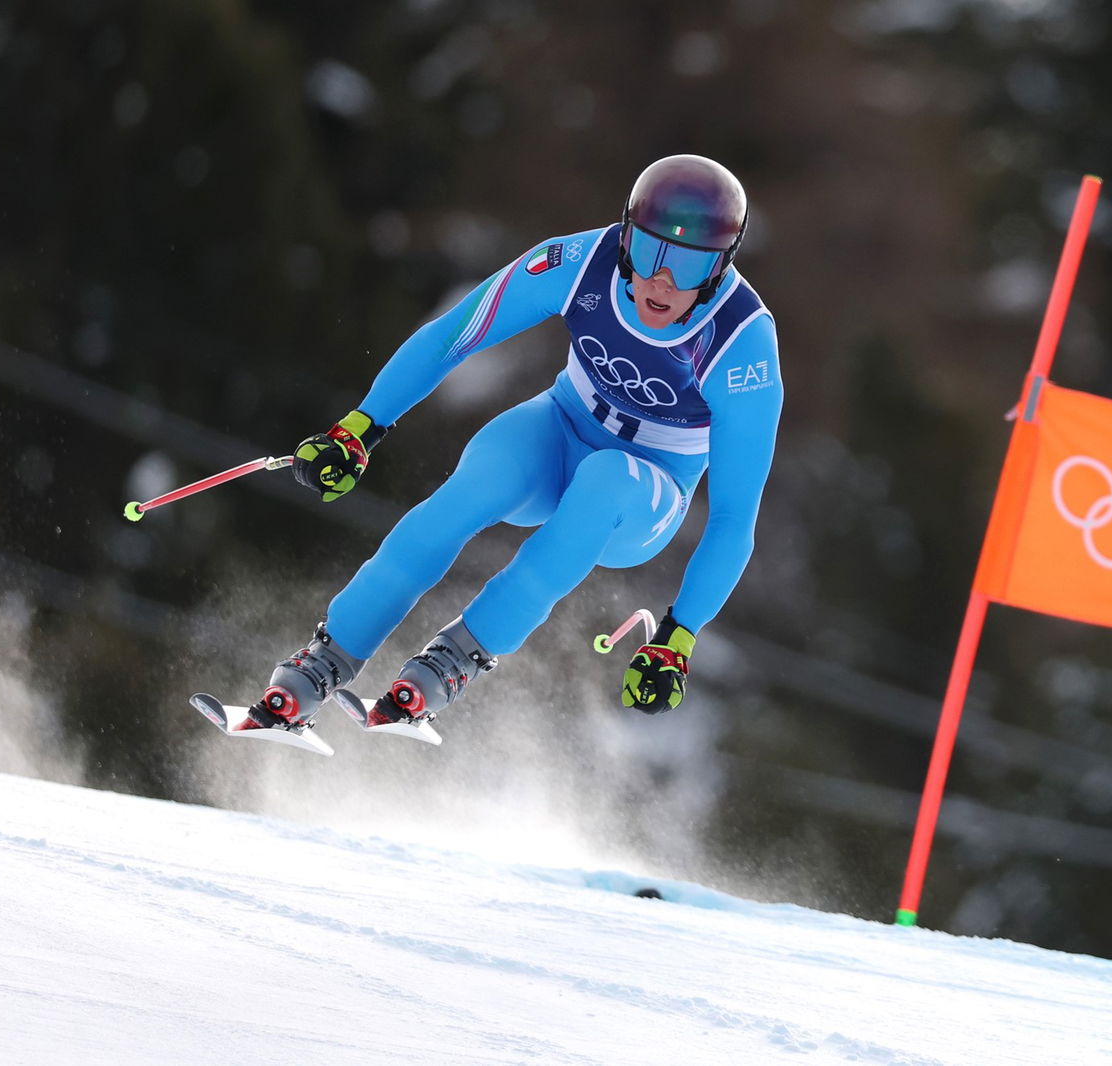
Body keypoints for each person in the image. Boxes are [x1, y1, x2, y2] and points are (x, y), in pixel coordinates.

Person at [244, 154, 782, 738]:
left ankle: (453, 661)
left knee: (605, 478)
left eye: (689, 263)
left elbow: (733, 518)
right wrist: (360, 428)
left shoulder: (742, 342)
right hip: (561, 426)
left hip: (644, 495)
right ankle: (325, 659)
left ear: (721, 266)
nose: (663, 280)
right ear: (626, 236)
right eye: (652, 252)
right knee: (481, 481)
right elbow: (456, 333)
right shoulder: (579, 263)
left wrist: (678, 637)